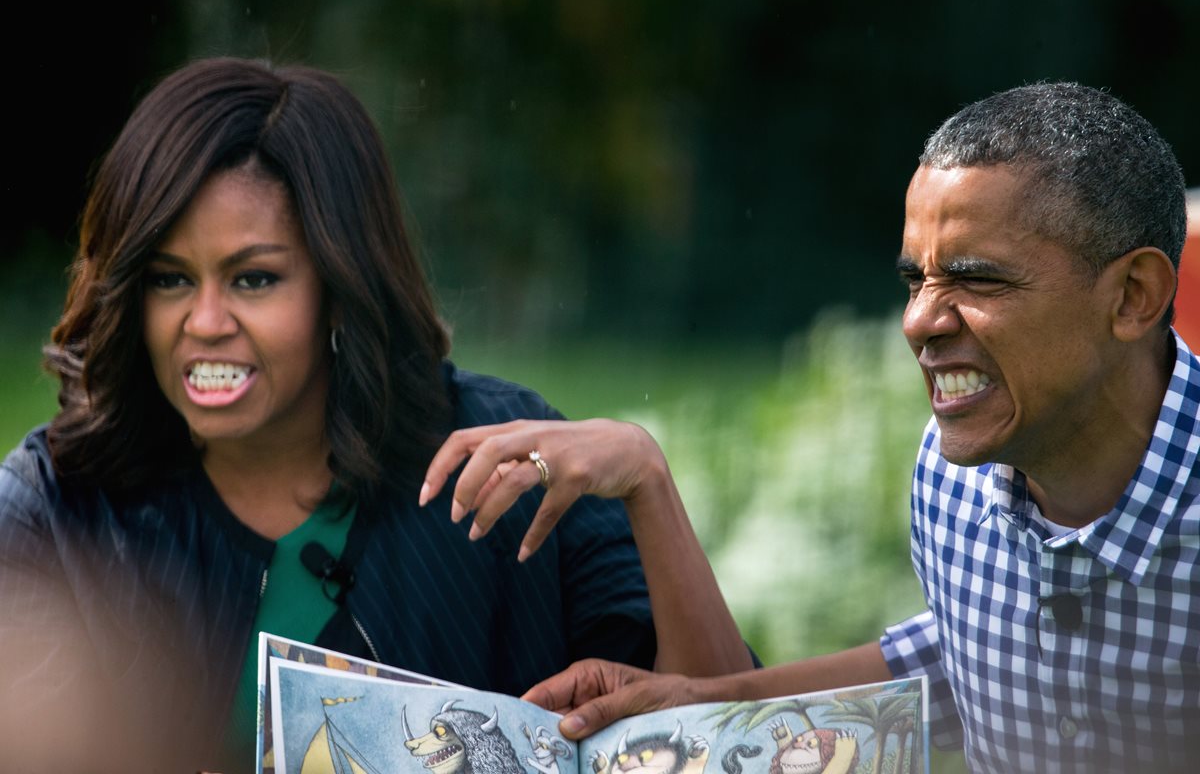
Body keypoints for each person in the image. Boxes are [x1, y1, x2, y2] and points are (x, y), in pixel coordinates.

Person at [0, 57, 753, 773]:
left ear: (339, 281)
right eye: (169, 280)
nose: (204, 321)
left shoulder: (506, 471)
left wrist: (648, 480)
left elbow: (729, 740)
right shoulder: (54, 508)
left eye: (254, 279)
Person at [425, 83, 1200, 773]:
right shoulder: (949, 474)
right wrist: (708, 696)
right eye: (915, 279)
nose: (919, 322)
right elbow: (968, 656)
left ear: (1133, 296)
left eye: (975, 278)